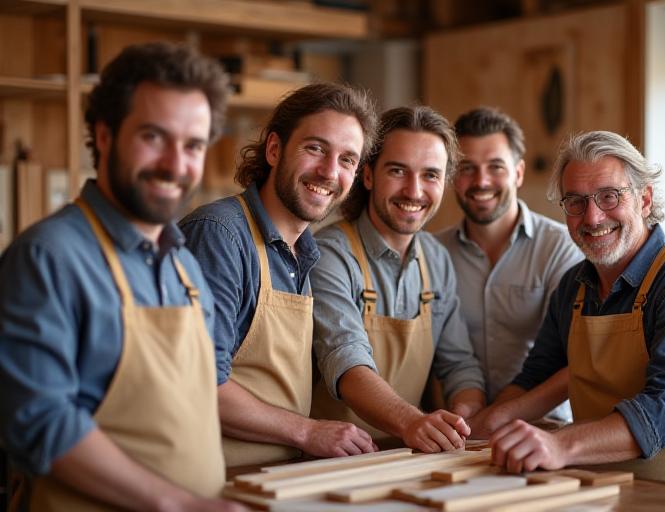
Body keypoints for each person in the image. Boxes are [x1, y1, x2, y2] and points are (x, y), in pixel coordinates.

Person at [0, 43, 248, 511]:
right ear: (105, 134)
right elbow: (39, 422)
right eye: (154, 137)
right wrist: (176, 503)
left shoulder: (184, 265)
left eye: (193, 145)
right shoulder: (46, 258)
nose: (176, 164)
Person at [483, 130, 665, 490]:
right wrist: (469, 428)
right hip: (614, 491)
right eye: (576, 202)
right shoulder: (573, 287)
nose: (593, 218)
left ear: (644, 199)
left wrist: (560, 444)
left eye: (609, 197)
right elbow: (533, 381)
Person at [179, 83, 378, 468]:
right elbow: (200, 383)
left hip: (274, 479)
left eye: (347, 160)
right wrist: (308, 431)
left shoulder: (303, 252)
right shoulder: (219, 235)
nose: (329, 171)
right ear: (274, 149)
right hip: (216, 480)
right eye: (315, 148)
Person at [310, 105, 486, 453]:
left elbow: (459, 364)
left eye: (431, 175)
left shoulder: (435, 258)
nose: (414, 191)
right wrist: (412, 421)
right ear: (369, 174)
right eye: (398, 171)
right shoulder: (328, 254)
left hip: (407, 457)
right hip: (332, 461)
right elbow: (346, 360)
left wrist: (464, 415)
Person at [436, 107, 582, 418]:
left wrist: (495, 418)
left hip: (542, 429)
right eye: (466, 168)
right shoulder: (433, 253)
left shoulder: (560, 248)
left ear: (518, 172)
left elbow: (569, 357)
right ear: (451, 175)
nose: (481, 181)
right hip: (456, 428)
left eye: (496, 167)